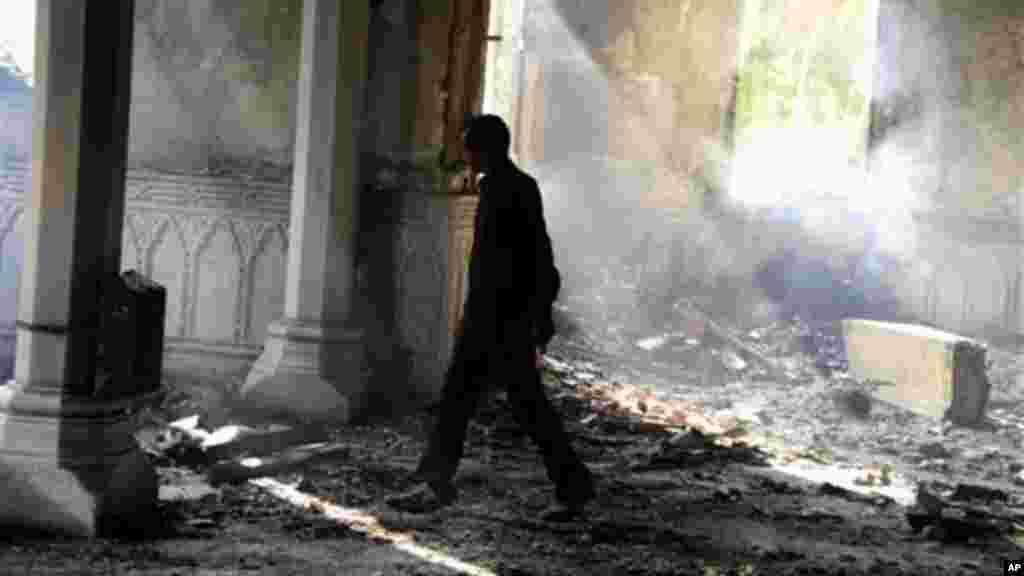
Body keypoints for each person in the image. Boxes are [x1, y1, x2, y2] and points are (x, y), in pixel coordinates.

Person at [387, 115, 595, 522]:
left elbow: (533, 259)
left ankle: (572, 485)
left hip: (500, 322)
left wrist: (534, 316)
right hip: (495, 319)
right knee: (465, 401)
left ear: (485, 148)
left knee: (513, 405)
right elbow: (526, 259)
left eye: (469, 146)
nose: (465, 154)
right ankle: (439, 480)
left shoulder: (512, 190)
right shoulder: (504, 187)